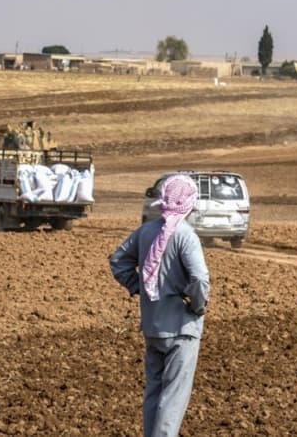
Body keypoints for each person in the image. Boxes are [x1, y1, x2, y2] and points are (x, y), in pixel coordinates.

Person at [109, 174, 210, 437]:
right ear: (189, 202)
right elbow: (199, 278)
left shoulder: (147, 231)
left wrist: (139, 287)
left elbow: (118, 260)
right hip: (181, 328)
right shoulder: (186, 236)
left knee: (154, 391)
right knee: (173, 397)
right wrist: (197, 307)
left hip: (153, 326)